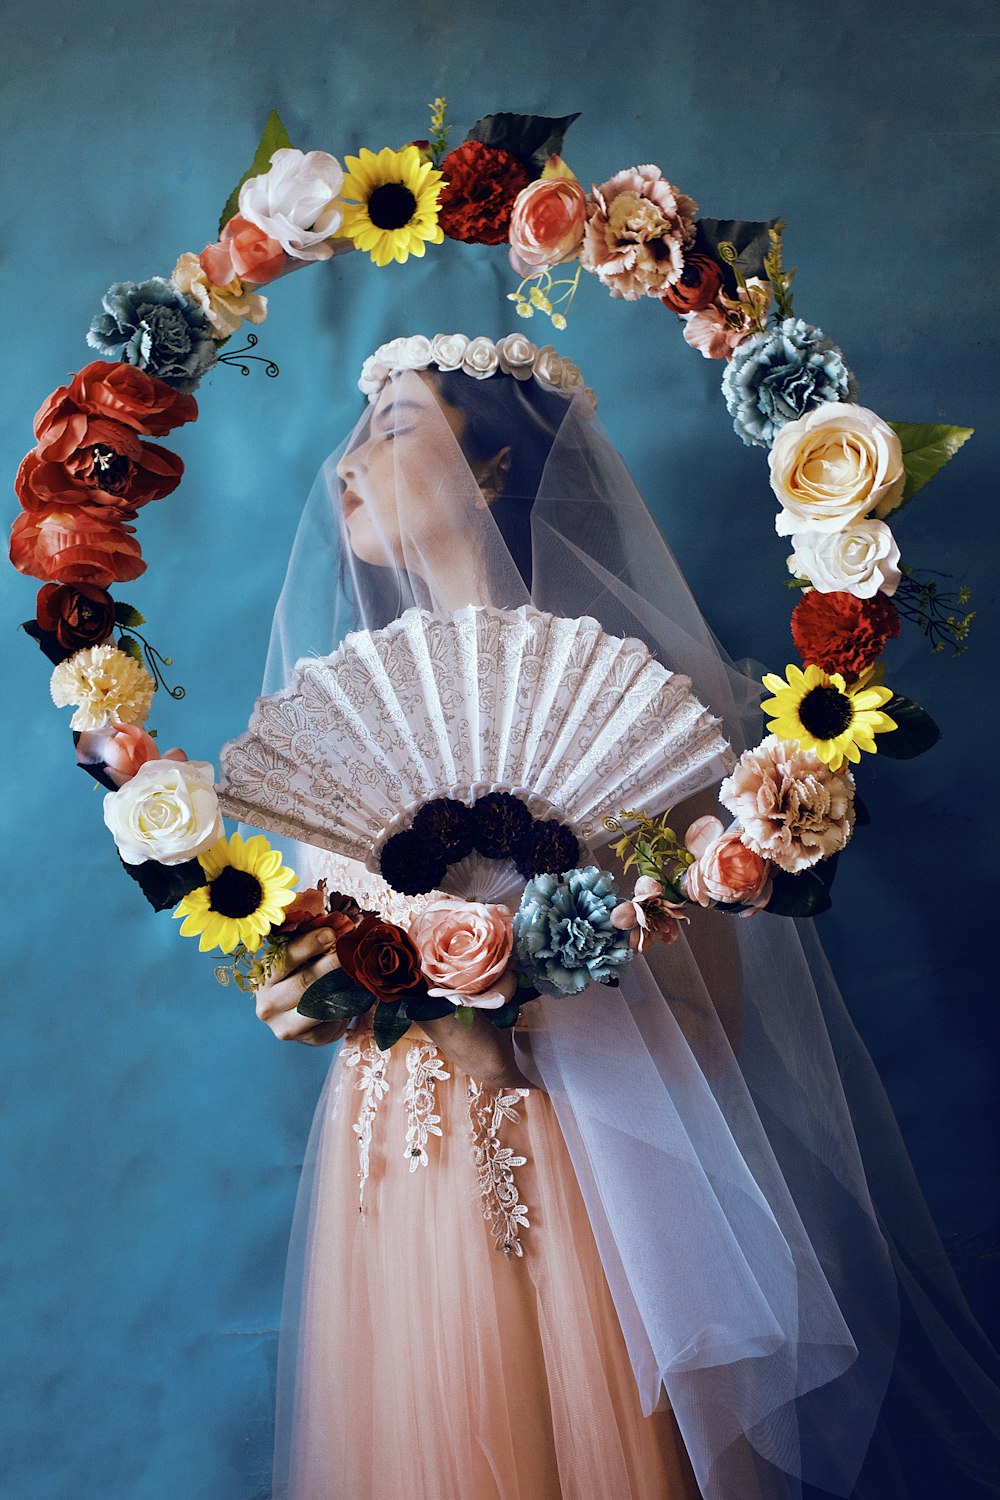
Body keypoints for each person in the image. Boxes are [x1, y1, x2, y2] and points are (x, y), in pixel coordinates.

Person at [244, 335, 1000, 1500]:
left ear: (490, 470)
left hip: (584, 1141)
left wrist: (521, 1002)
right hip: (395, 1143)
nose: (345, 464)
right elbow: (308, 950)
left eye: (392, 427)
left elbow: (718, 997)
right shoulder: (347, 701)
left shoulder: (640, 695)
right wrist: (318, 990)